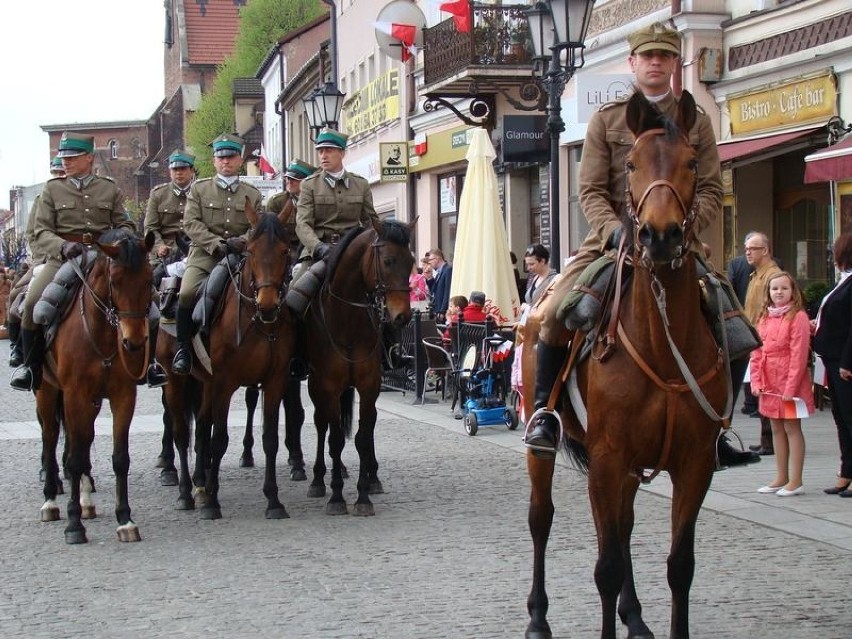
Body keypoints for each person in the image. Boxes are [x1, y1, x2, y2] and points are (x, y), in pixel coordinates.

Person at [524, 23, 723, 456]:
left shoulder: (696, 123)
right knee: (555, 313)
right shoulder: (609, 118)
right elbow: (591, 190)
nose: (655, 62)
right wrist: (616, 232)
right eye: (647, 55)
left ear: (674, 63)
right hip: (609, 243)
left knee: (732, 319)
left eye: (664, 56)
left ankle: (717, 427)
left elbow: (710, 188)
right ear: (633, 62)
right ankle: (546, 413)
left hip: (678, 242)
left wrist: (688, 229)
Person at [11, 133, 136, 391]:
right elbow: (41, 230)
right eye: (63, 158)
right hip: (66, 257)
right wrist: (62, 246)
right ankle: (30, 367)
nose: (65, 162)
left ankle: (147, 364)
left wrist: (117, 240)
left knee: (150, 303)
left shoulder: (109, 189)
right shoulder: (52, 189)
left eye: (72, 157)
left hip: (102, 257)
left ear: (88, 158)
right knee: (33, 302)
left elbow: (125, 224)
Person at [171, 134, 262, 375]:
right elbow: (191, 223)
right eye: (220, 158)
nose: (225, 162)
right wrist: (217, 243)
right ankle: (183, 349)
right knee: (188, 291)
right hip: (206, 255)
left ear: (240, 160)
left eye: (230, 157)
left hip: (242, 256)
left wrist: (242, 242)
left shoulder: (252, 194)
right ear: (214, 161)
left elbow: (257, 227)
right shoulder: (200, 189)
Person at [289, 129, 379, 298]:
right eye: (321, 151)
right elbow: (302, 225)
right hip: (319, 253)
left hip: (353, 251)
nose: (323, 156)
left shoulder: (361, 184)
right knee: (293, 297)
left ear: (342, 153)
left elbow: (370, 222)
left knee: (383, 293)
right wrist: (317, 247)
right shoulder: (309, 185)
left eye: (329, 150)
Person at [750, 271, 814, 496]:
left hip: (789, 382)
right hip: (769, 381)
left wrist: (790, 388)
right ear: (768, 292)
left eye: (784, 288)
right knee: (775, 427)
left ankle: (795, 480)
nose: (779, 292)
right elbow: (757, 352)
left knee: (791, 427)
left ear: (792, 291)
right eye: (774, 288)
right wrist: (756, 380)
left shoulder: (798, 317)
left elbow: (799, 356)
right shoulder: (764, 317)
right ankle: (781, 476)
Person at [143, 150, 195, 387]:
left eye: (183, 169)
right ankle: (151, 356)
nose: (179, 173)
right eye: (175, 169)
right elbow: (150, 228)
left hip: (196, 251)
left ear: (191, 171)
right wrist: (160, 246)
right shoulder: (159, 194)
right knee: (146, 293)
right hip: (167, 255)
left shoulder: (201, 191)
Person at [7, 157, 65, 368]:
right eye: (57, 173)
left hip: (87, 256)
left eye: (63, 172)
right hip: (49, 257)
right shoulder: (43, 198)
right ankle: (19, 349)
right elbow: (34, 234)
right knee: (18, 296)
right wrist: (42, 257)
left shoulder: (90, 193)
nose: (61, 176)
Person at [812, 234, 852, 496]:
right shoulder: (844, 281)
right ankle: (847, 470)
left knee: (851, 418)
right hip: (831, 356)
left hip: (844, 360)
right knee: (841, 418)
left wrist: (848, 361)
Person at [742, 231, 782, 455]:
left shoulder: (773, 276)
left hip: (767, 340)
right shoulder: (755, 274)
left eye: (753, 248)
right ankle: (765, 438)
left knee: (767, 389)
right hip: (755, 338)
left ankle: (770, 441)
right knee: (760, 390)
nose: (747, 252)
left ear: (765, 250)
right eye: (746, 248)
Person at [425, 248, 452, 321]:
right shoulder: (438, 274)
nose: (429, 263)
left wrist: (443, 310)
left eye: (430, 260)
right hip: (436, 311)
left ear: (437, 259)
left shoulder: (448, 270)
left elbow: (447, 291)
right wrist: (430, 278)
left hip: (442, 312)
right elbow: (433, 291)